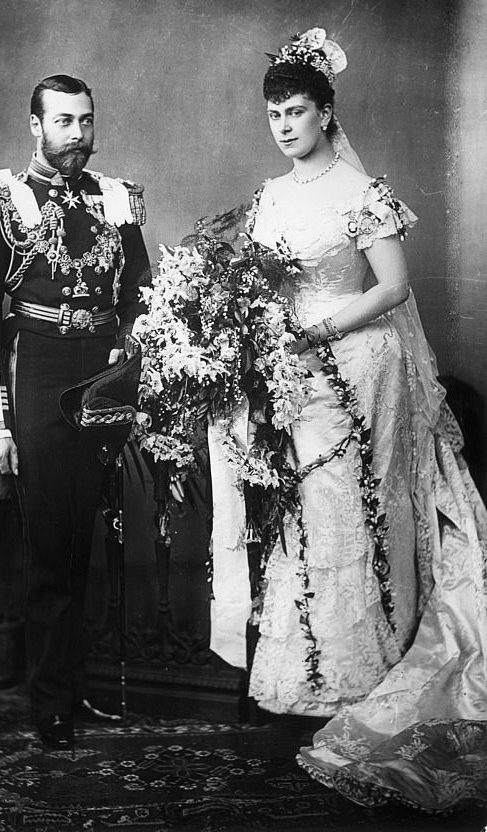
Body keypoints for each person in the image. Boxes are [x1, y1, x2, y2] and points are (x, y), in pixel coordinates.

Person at [207, 28, 487, 810]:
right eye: (275, 115)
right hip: (287, 377)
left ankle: (361, 671)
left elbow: (393, 287)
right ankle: (298, 674)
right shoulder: (267, 196)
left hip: (360, 367)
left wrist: (318, 330)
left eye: (298, 111)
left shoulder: (364, 193)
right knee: (299, 518)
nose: (285, 126)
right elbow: (256, 286)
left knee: (351, 514)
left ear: (327, 115)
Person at [0, 74, 150, 749]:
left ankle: (74, 687)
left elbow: (141, 299)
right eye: (63, 121)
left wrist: (134, 360)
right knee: (47, 552)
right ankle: (50, 705)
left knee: (81, 544)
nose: (77, 134)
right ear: (35, 125)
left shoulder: (114, 200)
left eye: (85, 121)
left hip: (99, 384)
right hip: (34, 377)